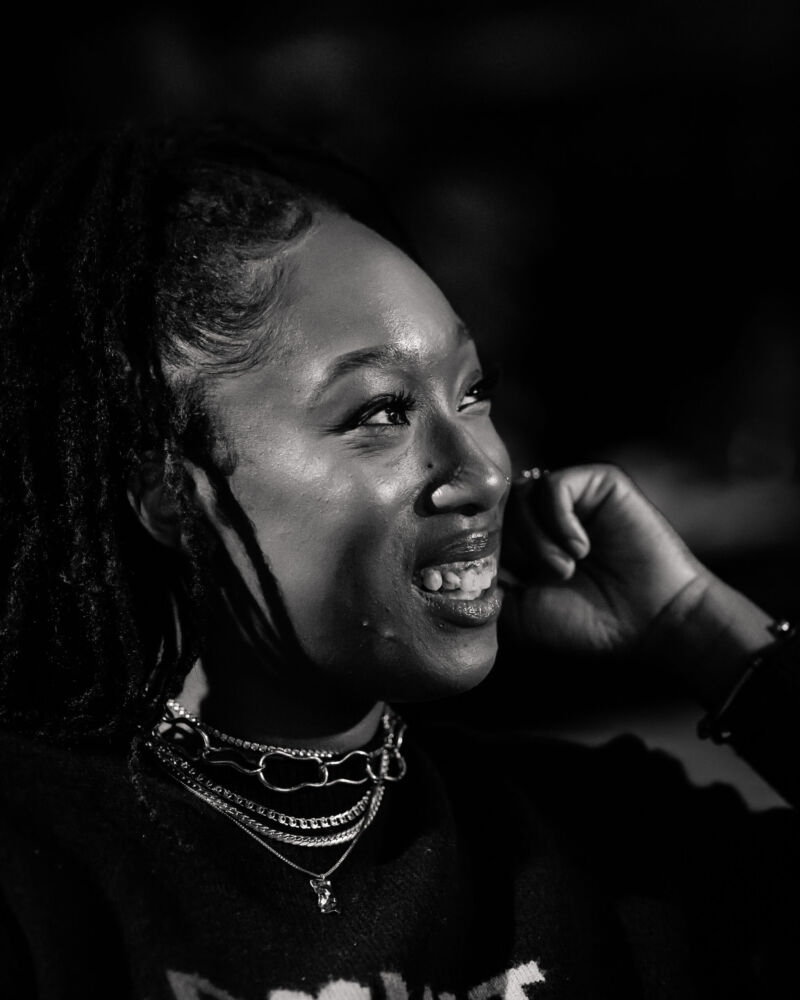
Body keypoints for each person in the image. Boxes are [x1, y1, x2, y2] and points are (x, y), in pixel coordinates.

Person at [0, 120, 796, 1000]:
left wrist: (704, 631)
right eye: (381, 411)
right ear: (170, 490)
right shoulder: (38, 871)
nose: (484, 470)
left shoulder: (602, 841)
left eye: (472, 391)